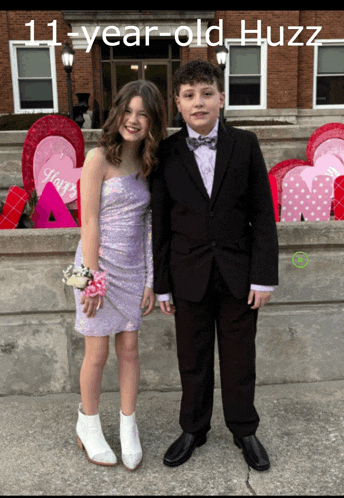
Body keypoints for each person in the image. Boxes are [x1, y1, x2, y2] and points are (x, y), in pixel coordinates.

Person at [150, 60, 279, 471]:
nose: (199, 102)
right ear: (178, 103)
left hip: (239, 275)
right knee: (192, 358)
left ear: (221, 98)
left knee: (240, 358)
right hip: (188, 276)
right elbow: (161, 225)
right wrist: (163, 283)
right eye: (189, 95)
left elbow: (263, 215)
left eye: (206, 93)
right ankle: (194, 428)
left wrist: (264, 276)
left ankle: (244, 430)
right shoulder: (165, 152)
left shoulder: (246, 144)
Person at [73, 80, 167, 470]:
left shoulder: (148, 164)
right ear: (116, 113)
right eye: (127, 111)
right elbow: (88, 223)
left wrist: (149, 280)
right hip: (93, 265)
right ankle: (88, 425)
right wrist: (92, 279)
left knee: (129, 350)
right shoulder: (97, 158)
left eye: (142, 113)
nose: (133, 120)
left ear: (153, 121)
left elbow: (148, 227)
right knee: (96, 353)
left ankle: (129, 426)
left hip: (132, 270)